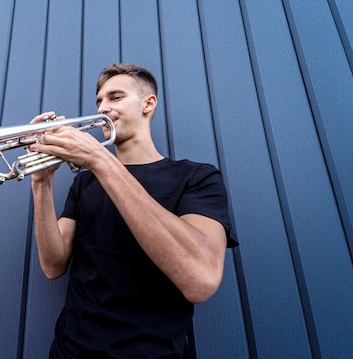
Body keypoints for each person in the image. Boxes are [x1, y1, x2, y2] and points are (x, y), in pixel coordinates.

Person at [28, 63, 237, 358]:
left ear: (148, 104)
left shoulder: (196, 178)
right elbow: (53, 265)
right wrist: (42, 183)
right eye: (99, 101)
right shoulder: (84, 183)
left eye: (115, 98)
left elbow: (200, 279)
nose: (103, 108)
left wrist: (100, 160)